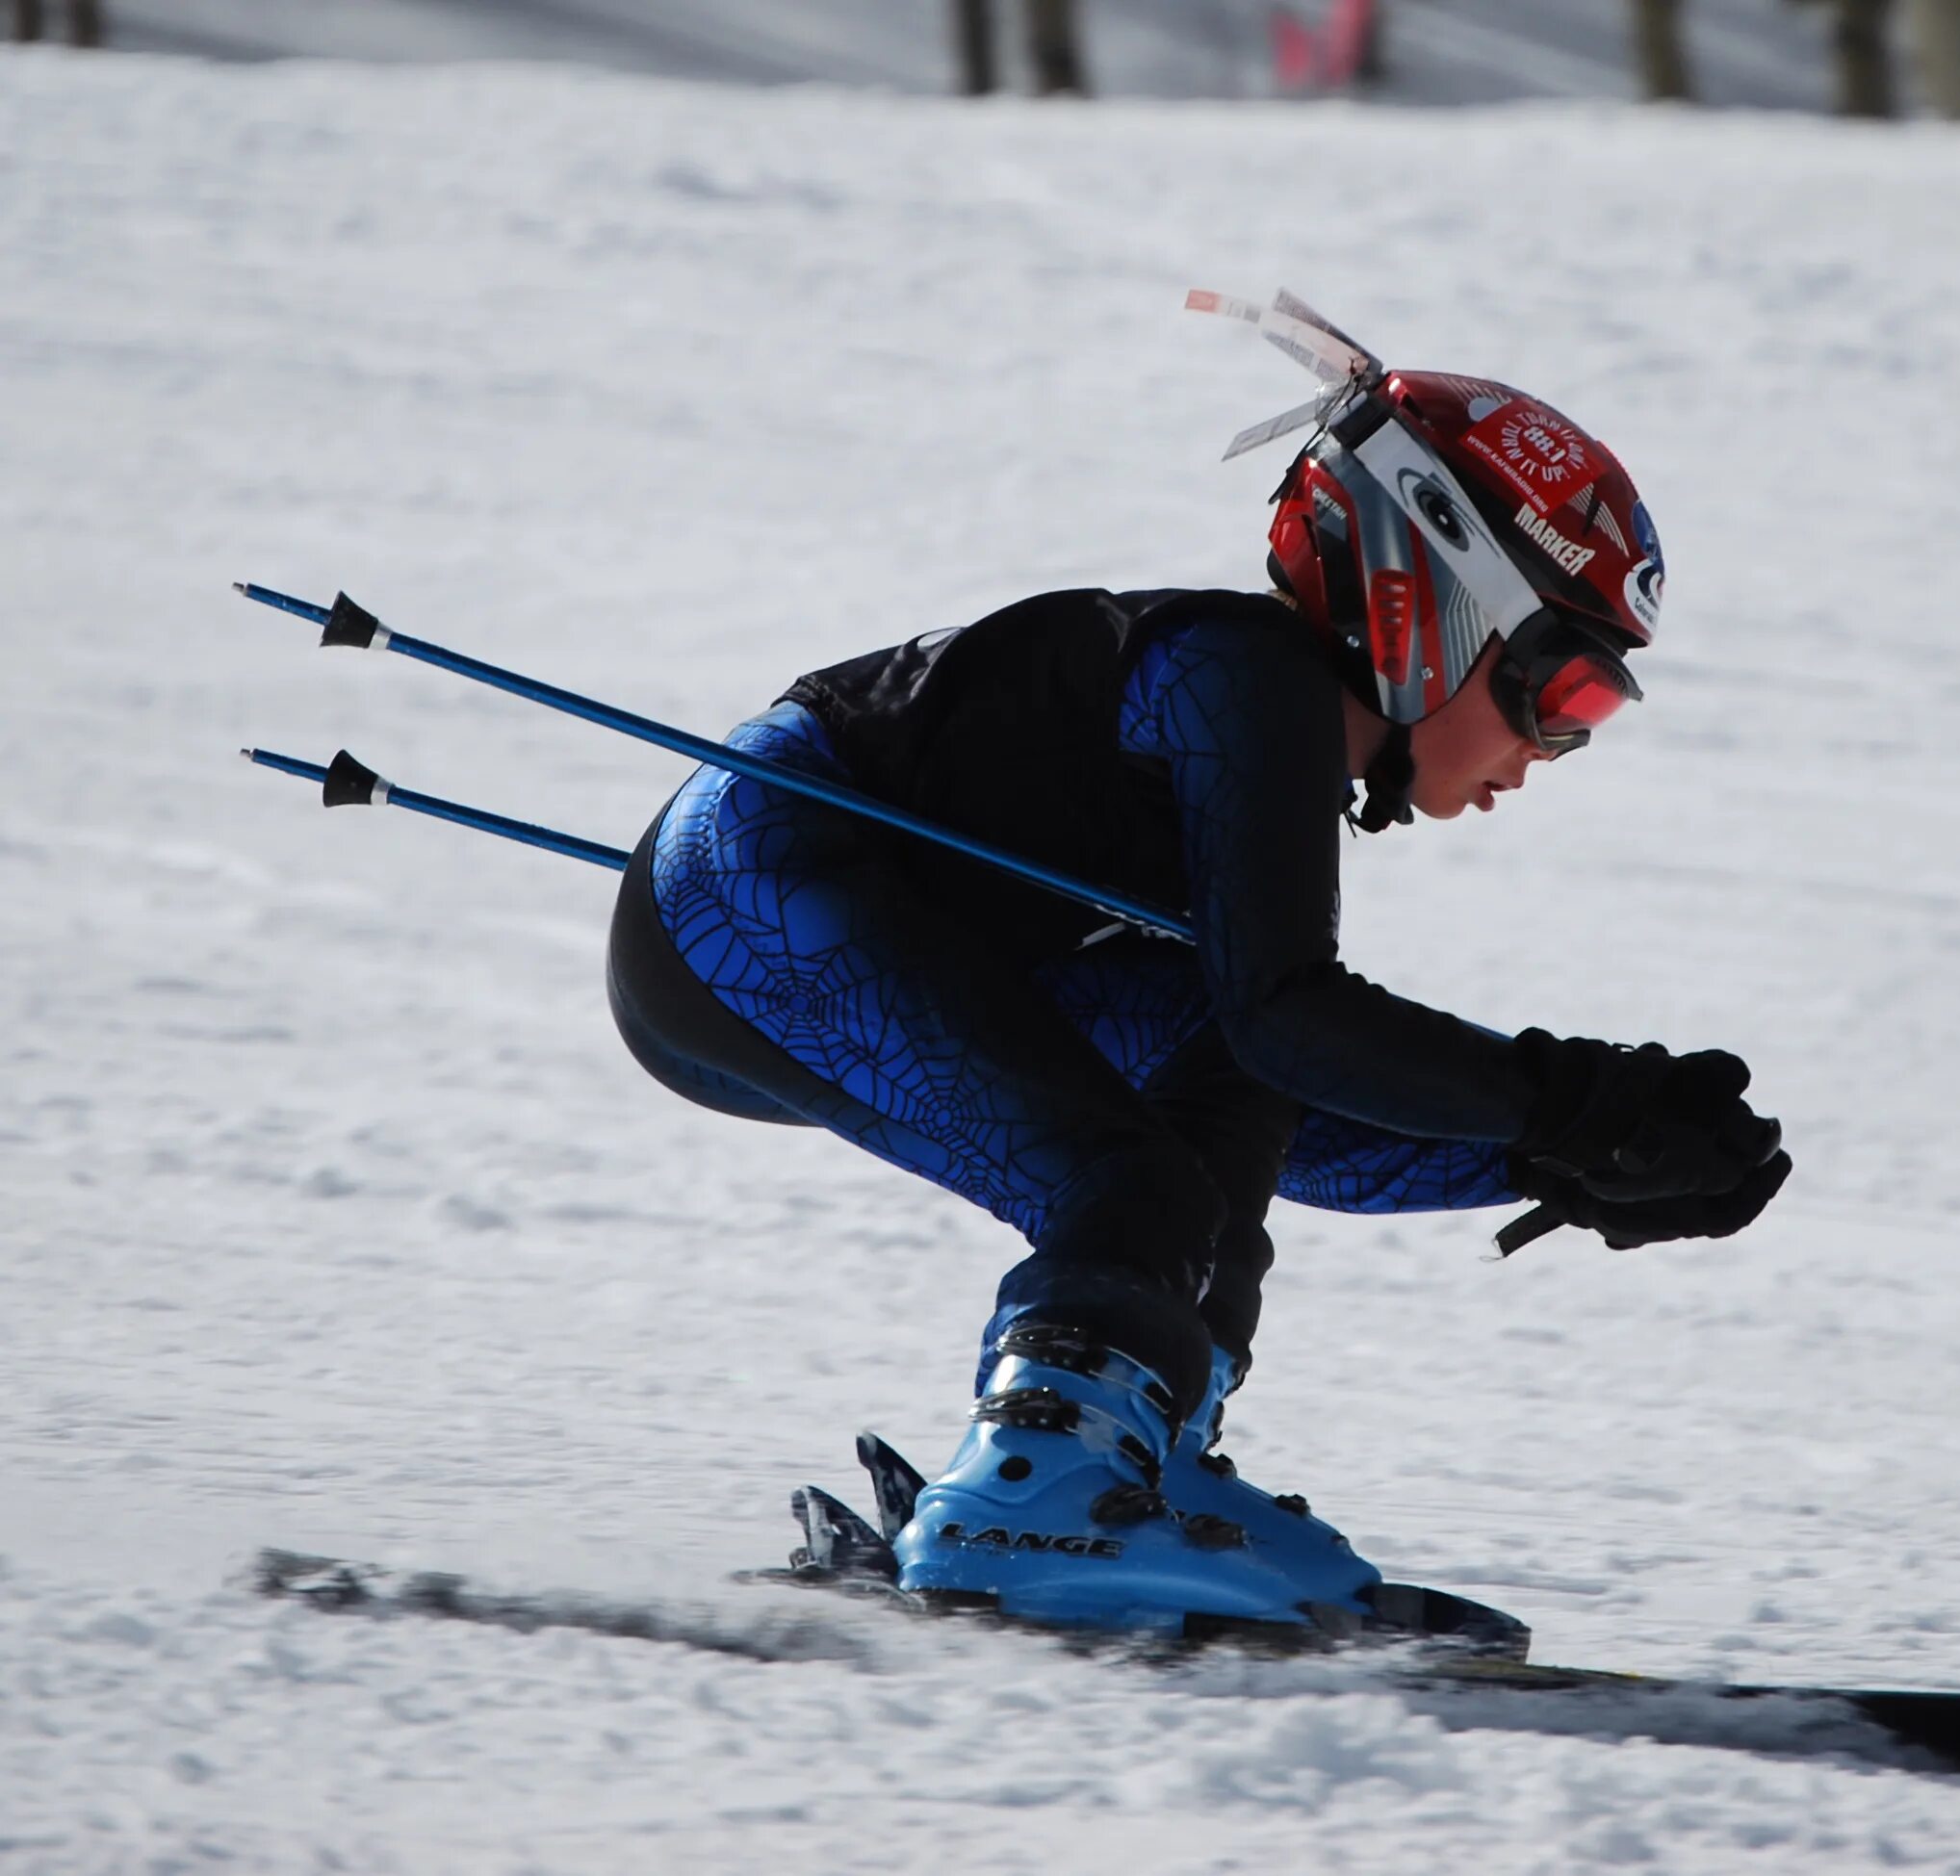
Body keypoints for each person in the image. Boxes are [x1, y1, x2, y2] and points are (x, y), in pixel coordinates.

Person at [604, 306, 1792, 1633]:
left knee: (1209, 1096)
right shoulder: (1245, 680)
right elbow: (1296, 1014)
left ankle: (1123, 1463)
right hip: (749, 877)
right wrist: (1570, 1103)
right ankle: (1033, 1494)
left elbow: (1293, 1096)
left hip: (850, 918)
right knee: (1139, 1172)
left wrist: (1563, 1154)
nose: (1545, 758)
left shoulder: (1270, 719)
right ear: (1439, 604)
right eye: (1562, 699)